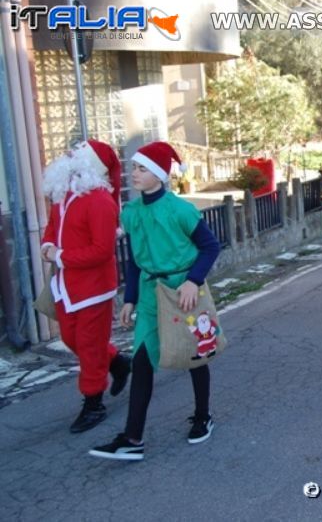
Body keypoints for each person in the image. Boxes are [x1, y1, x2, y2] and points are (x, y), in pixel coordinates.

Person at [89, 141, 221, 461]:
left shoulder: (179, 210)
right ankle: (133, 438)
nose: (134, 173)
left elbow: (210, 246)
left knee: (193, 354)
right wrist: (130, 299)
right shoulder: (132, 212)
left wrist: (193, 280)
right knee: (143, 361)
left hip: (182, 291)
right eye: (133, 167)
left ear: (160, 175)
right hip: (149, 292)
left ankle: (203, 416)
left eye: (142, 168)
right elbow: (135, 260)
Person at [40, 140, 131, 433]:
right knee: (71, 338)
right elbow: (53, 227)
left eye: (75, 155)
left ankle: (93, 404)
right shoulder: (64, 196)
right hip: (67, 285)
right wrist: (48, 245)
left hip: (94, 288)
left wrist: (61, 257)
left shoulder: (100, 202)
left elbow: (102, 251)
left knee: (90, 346)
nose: (67, 157)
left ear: (91, 166)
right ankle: (117, 362)